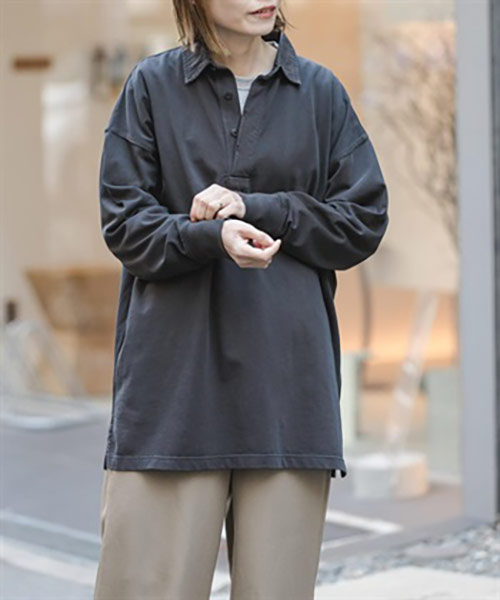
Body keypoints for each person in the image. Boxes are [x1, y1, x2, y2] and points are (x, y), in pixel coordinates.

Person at [93, 1, 389, 598]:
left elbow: (362, 220)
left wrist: (263, 208)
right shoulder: (152, 87)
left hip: (287, 393)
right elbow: (125, 226)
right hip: (173, 394)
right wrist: (210, 237)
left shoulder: (320, 94)